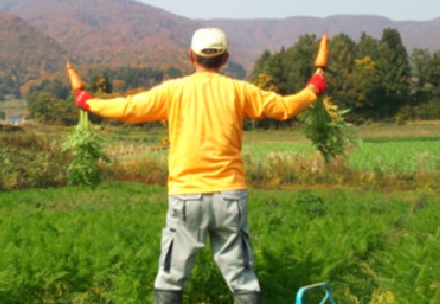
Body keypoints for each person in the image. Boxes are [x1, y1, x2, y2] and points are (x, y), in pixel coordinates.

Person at [73, 27, 326, 304]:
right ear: (225, 58)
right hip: (230, 194)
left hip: (185, 195)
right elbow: (285, 107)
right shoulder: (239, 90)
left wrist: (88, 102)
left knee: (171, 277)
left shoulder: (174, 91)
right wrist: (313, 88)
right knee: (242, 277)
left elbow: (129, 108)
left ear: (191, 56)